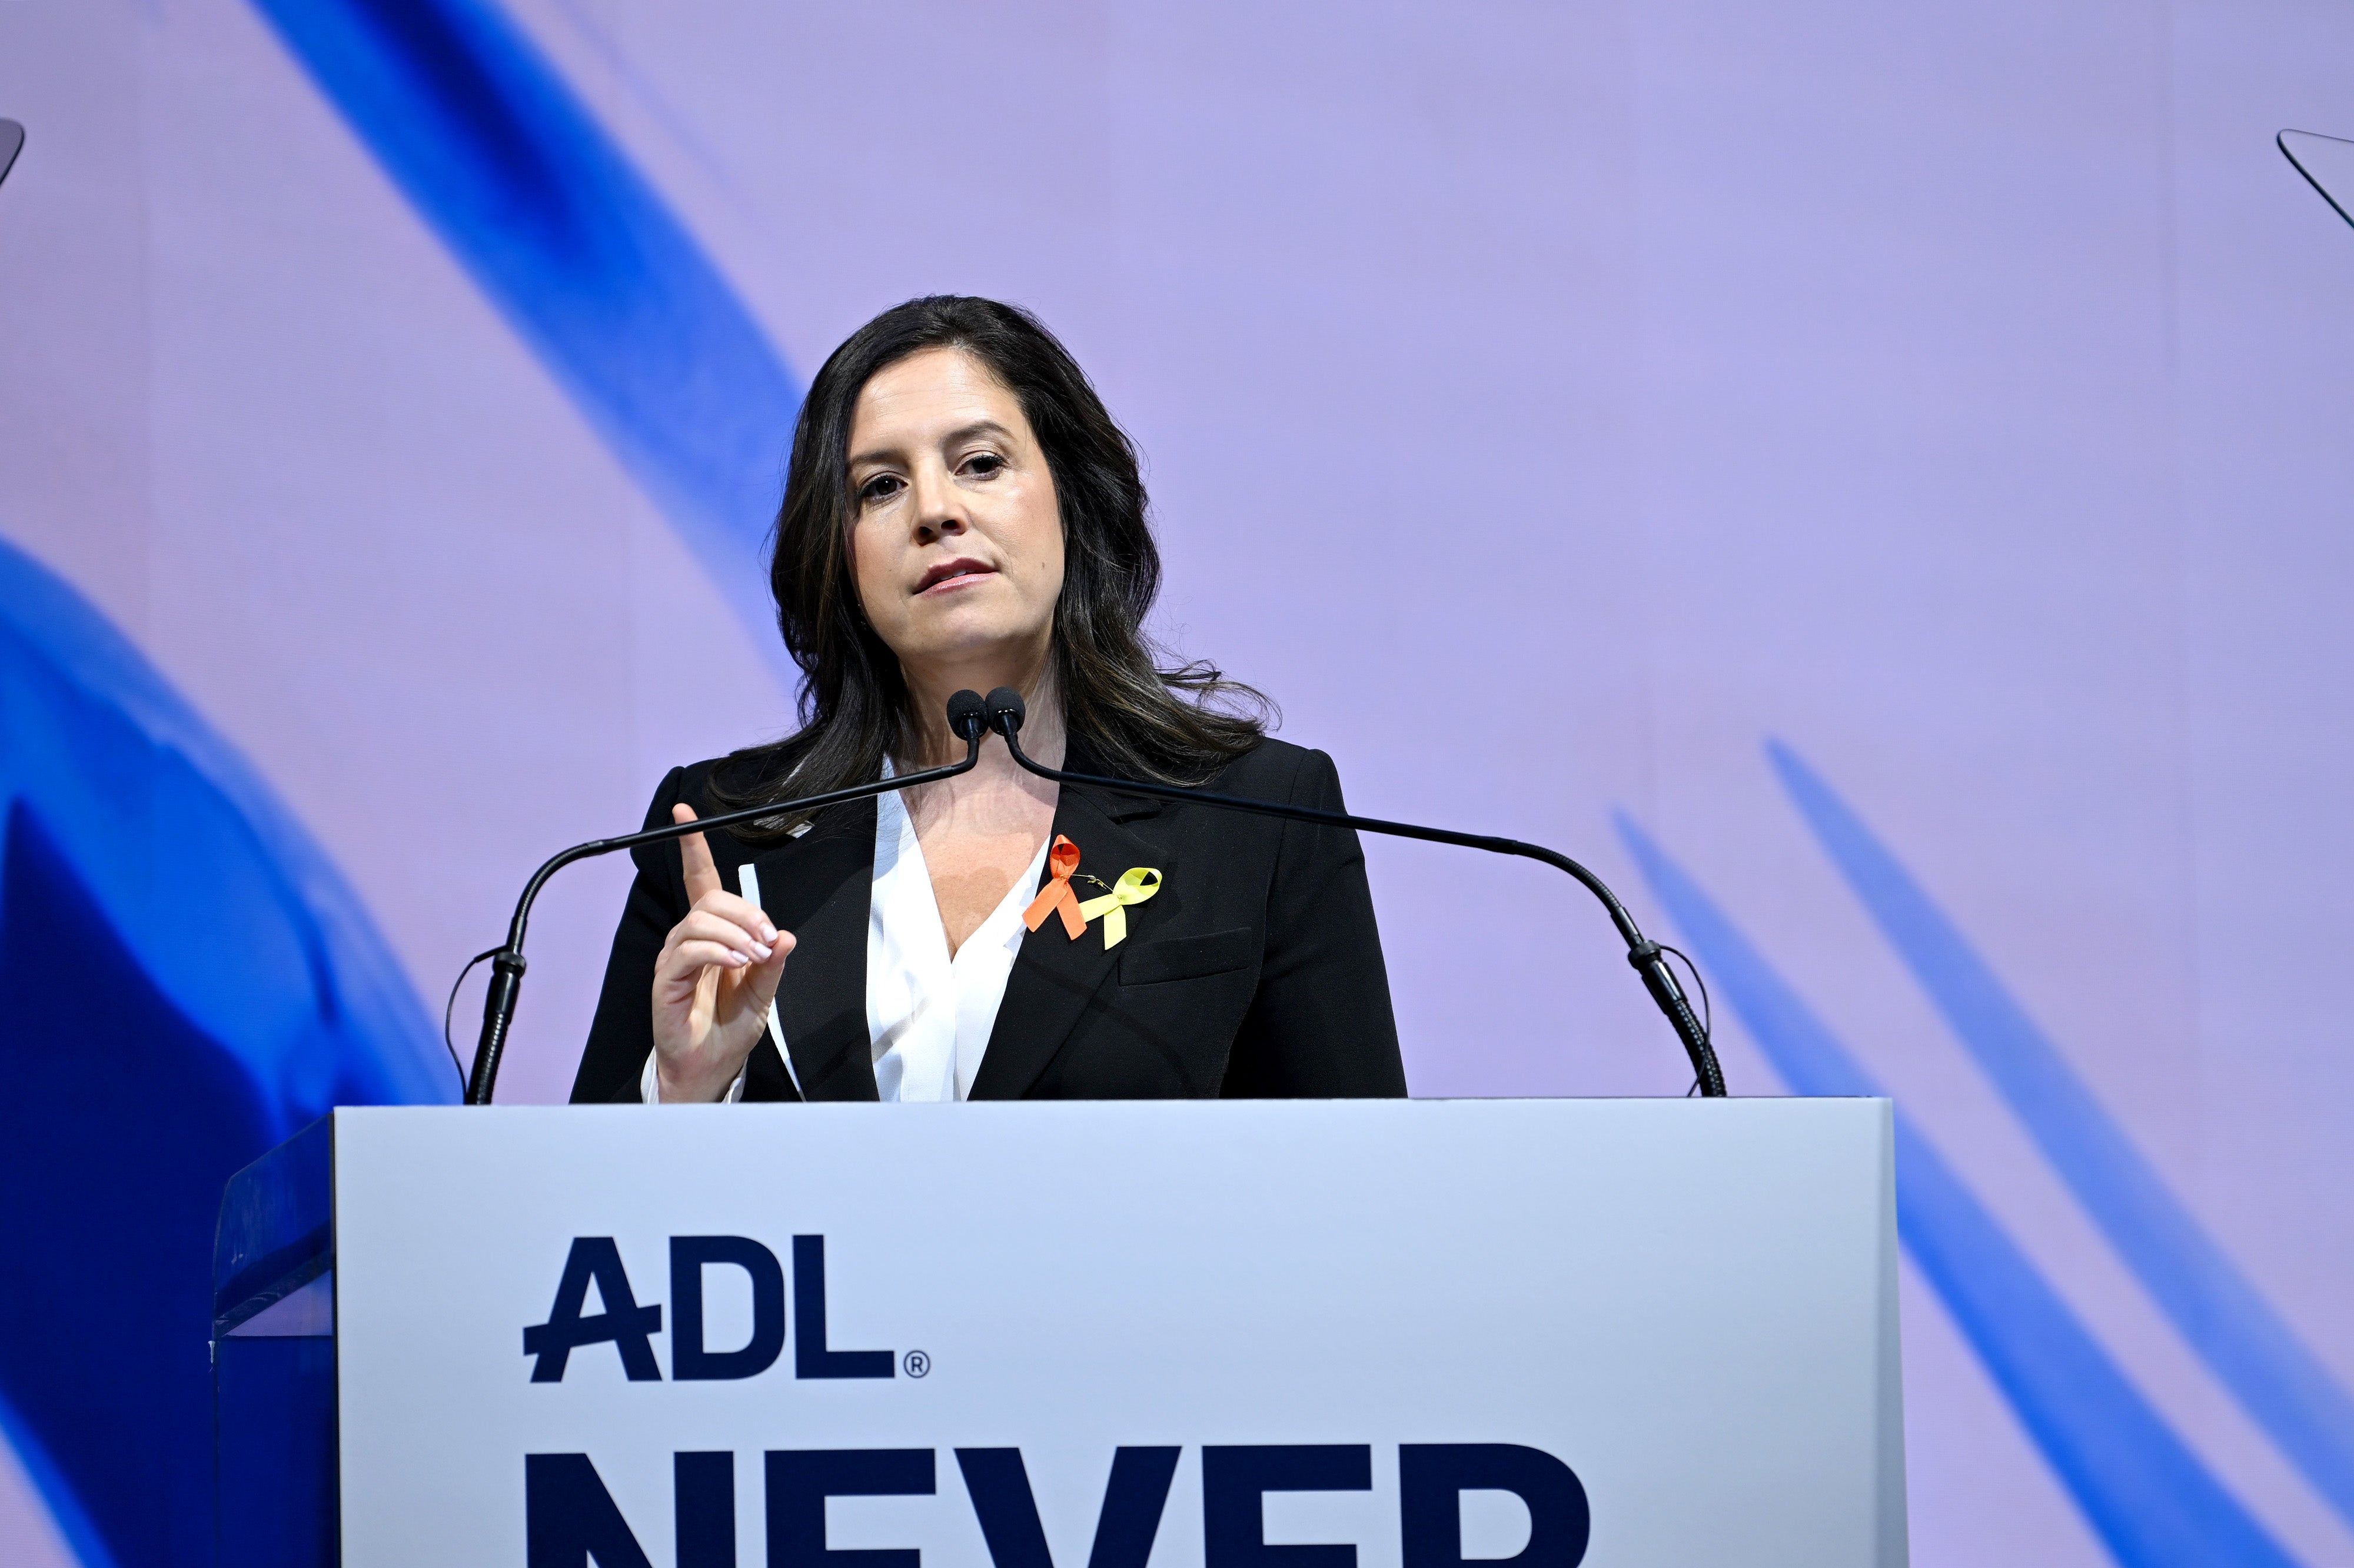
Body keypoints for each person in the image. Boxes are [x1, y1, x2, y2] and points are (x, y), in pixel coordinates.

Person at [571, 297, 1404, 1104]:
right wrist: (682, 1089)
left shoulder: (1259, 816)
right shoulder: (721, 836)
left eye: (981, 464)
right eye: (882, 486)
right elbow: (591, 1214)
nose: (936, 510)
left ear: (1071, 502)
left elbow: (1360, 1192)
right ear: (841, 550)